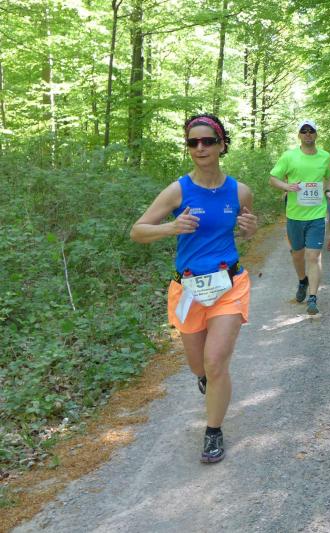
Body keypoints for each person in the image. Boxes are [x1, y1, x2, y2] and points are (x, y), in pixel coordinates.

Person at [130, 113, 257, 463]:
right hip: (188, 288)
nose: (200, 148)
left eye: (208, 141)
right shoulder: (178, 190)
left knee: (216, 362)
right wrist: (170, 228)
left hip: (229, 284)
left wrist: (250, 229)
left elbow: (247, 229)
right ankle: (205, 378)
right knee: (198, 365)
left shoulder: (240, 191)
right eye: (193, 142)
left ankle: (213, 431)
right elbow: (137, 231)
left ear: (222, 145)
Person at [268, 119, 330, 315]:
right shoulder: (289, 156)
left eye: (311, 130)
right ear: (299, 135)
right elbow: (273, 178)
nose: (307, 134)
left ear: (316, 134)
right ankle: (302, 281)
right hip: (295, 215)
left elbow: (327, 177)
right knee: (297, 254)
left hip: (317, 214)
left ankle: (313, 298)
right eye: (304, 131)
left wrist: (327, 190)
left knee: (313, 256)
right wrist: (286, 186)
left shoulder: (325, 156)